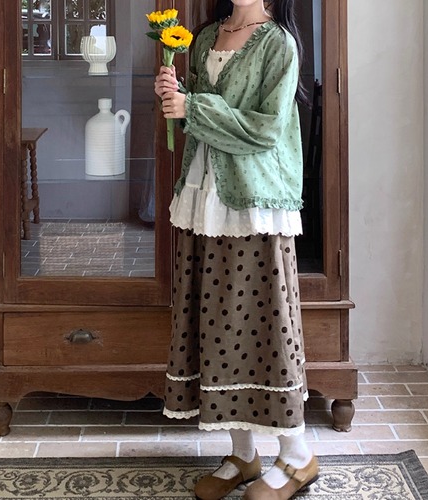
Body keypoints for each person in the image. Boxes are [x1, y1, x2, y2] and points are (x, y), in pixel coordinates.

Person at [154, 1, 319, 498]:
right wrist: (176, 98)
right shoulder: (206, 35)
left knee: (264, 325)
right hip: (203, 196)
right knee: (216, 325)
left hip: (255, 201)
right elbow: (198, 117)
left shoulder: (278, 43)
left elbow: (266, 129)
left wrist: (193, 108)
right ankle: (244, 454)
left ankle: (298, 457)